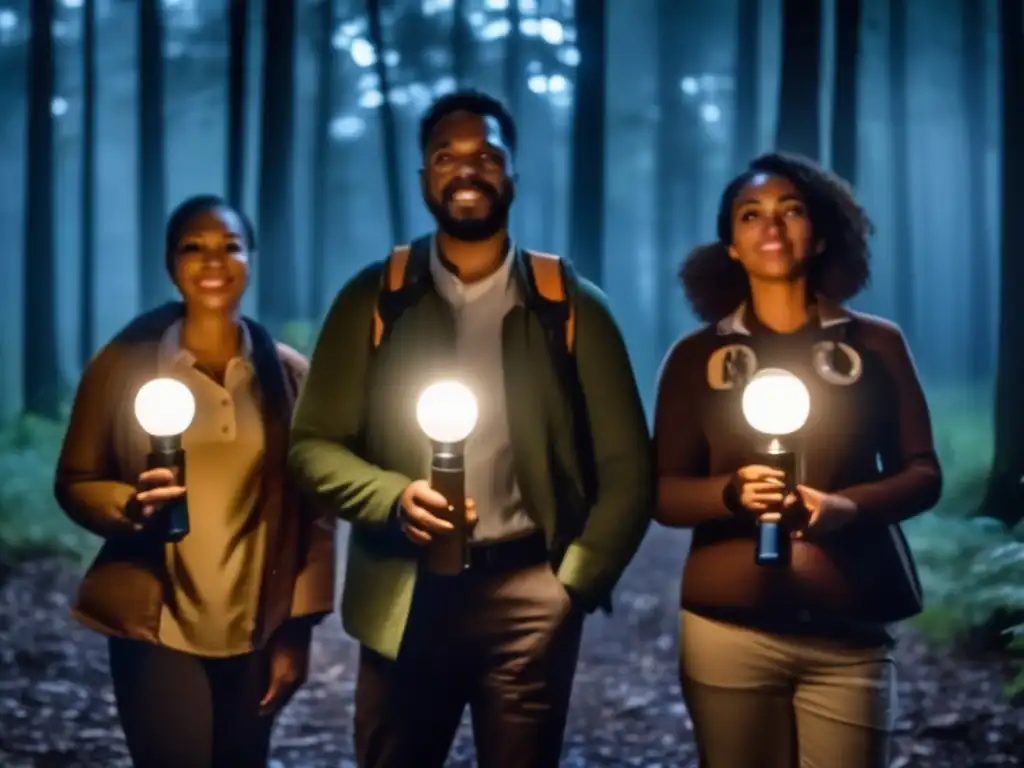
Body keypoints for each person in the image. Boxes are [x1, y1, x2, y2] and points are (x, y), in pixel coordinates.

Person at [289, 90, 653, 768]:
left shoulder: (568, 304)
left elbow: (629, 465)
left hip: (528, 591)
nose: (467, 170)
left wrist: (574, 582)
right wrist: (392, 496)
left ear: (513, 173)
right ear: (424, 177)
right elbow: (312, 447)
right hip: (405, 590)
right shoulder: (377, 298)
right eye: (445, 156)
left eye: (486, 155)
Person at [653, 153, 942, 767]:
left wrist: (847, 507)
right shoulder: (694, 359)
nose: (772, 228)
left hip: (850, 630)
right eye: (751, 215)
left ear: (820, 232)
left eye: (791, 211)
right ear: (730, 244)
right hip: (727, 632)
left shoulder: (877, 344)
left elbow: (923, 474)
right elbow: (662, 492)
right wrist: (729, 494)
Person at [54, 195, 335, 768]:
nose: (213, 261)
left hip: (254, 623)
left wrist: (298, 630)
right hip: (158, 619)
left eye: (230, 247)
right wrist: (126, 505)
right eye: (194, 247)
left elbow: (316, 515)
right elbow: (76, 479)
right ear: (170, 262)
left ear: (250, 260)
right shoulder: (124, 365)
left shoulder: (285, 375)